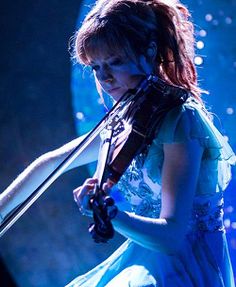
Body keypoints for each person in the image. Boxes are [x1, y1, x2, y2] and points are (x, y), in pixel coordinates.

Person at [0, 0, 235, 286]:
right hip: (146, 259)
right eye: (96, 66)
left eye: (116, 62)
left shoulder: (180, 119)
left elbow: (172, 236)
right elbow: (51, 163)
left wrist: (114, 215)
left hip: (186, 267)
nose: (104, 77)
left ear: (149, 52)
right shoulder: (126, 118)